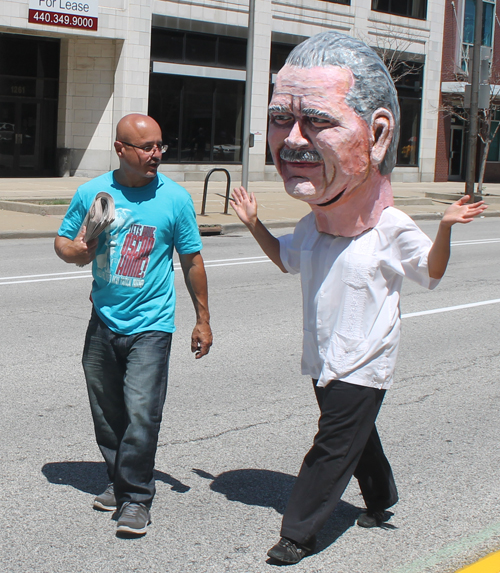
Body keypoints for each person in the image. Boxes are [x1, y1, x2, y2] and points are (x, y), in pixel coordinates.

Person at [230, 31, 487, 564]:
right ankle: (381, 495)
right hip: (324, 356)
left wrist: (444, 227)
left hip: (367, 359)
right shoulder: (313, 225)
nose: (293, 139)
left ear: (377, 135)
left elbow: (430, 273)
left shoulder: (391, 227)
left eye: (318, 120)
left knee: (331, 444)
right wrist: (254, 225)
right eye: (282, 118)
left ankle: (297, 533)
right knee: (354, 436)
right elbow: (284, 258)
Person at [54, 113, 212, 537]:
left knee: (142, 413)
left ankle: (136, 499)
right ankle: (119, 477)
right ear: (121, 149)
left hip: (152, 324)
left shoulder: (175, 199)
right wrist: (78, 251)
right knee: (107, 413)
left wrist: (203, 320)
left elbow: (192, 260)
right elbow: (63, 241)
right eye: (147, 147)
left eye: (160, 145)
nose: (156, 154)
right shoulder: (94, 193)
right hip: (103, 319)